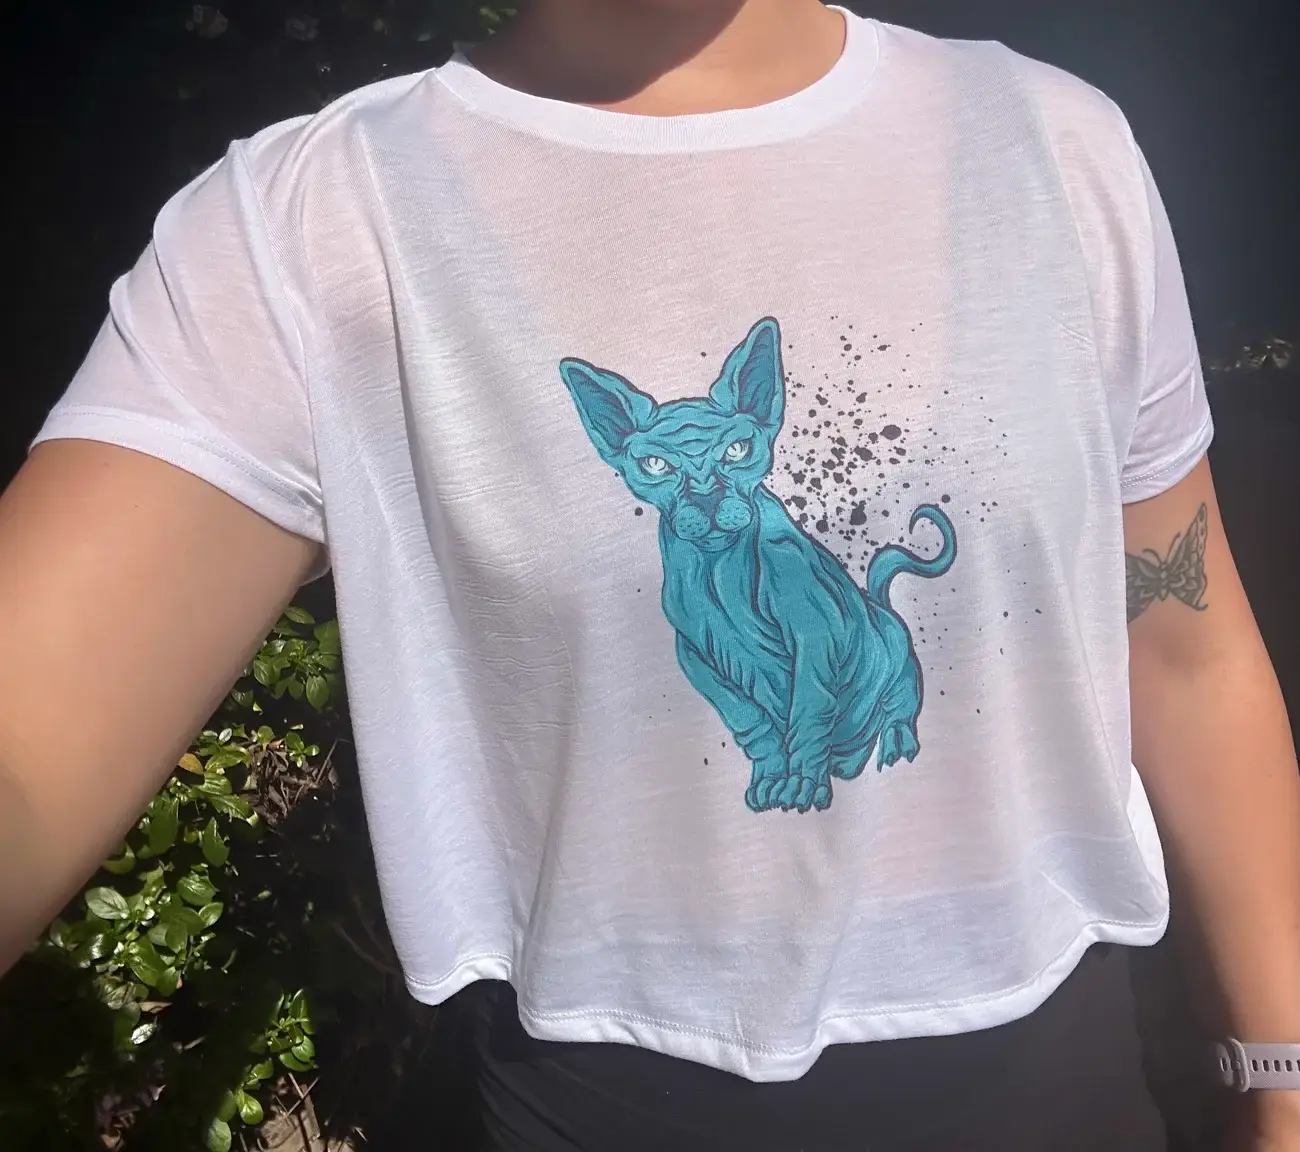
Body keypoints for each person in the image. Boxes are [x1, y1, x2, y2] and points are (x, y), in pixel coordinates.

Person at [1, 1, 1298, 1148]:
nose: (711, 480)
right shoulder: (317, 226)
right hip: (592, 1102)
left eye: (731, 451)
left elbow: (1184, 648)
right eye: (672, 465)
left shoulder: (1053, 144)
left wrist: (1282, 1078)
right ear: (624, 446)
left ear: (760, 420)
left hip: (1056, 1082)